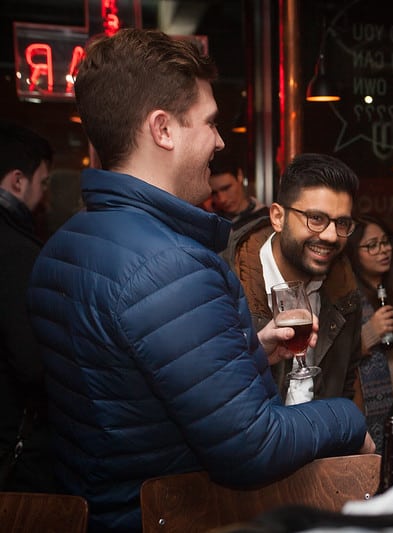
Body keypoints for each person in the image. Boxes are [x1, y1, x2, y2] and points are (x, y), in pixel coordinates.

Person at [26, 29, 372, 533]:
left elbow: (128, 392)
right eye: (210, 123)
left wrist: (248, 351)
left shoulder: (65, 243)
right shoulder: (171, 265)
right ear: (163, 129)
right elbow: (253, 447)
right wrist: (349, 420)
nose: (219, 141)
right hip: (166, 516)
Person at [226, 152, 364, 402]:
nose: (331, 236)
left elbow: (345, 387)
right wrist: (254, 353)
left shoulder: (344, 292)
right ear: (278, 217)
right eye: (316, 219)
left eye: (342, 223)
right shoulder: (224, 280)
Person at [0, 121, 58, 492]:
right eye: (44, 183)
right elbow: (32, 363)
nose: (46, 196)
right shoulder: (15, 250)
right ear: (18, 182)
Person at [344, 214, 393, 453]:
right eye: (371, 246)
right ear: (354, 252)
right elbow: (333, 359)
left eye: (385, 242)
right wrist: (369, 333)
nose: (383, 250)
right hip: (366, 411)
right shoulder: (346, 297)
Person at [208, 153, 265, 227]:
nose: (222, 199)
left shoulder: (266, 218)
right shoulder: (210, 222)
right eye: (214, 193)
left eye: (226, 188)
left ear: (239, 176)